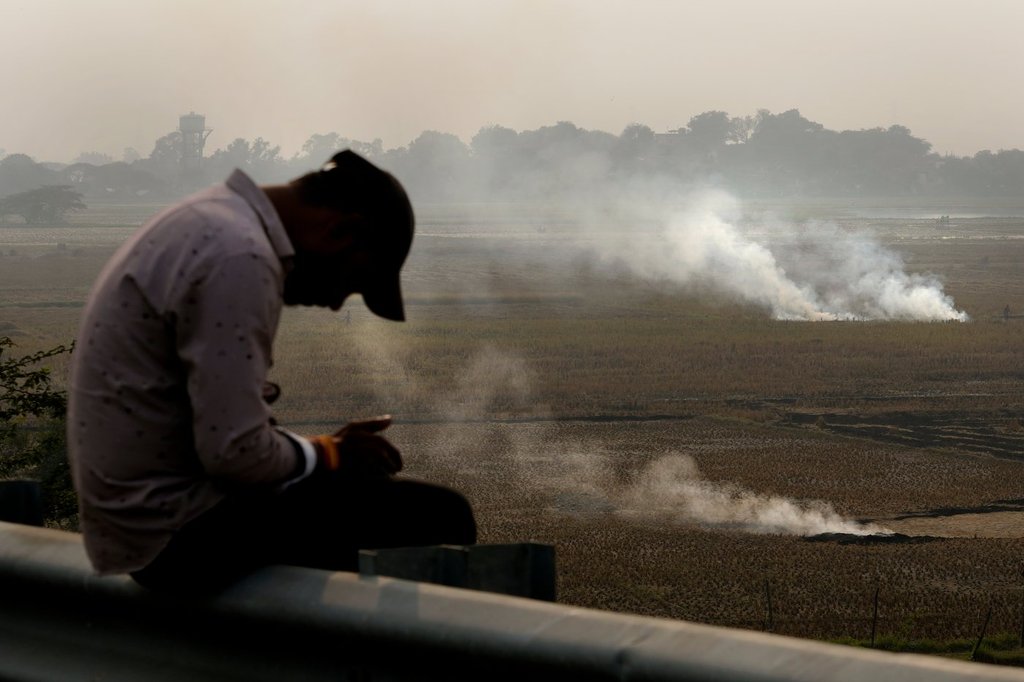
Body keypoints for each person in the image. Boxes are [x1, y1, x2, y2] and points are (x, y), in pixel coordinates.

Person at [67, 151, 477, 593]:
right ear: (340, 230)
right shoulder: (240, 258)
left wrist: (322, 454)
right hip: (176, 536)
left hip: (142, 519)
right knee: (439, 515)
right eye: (351, 281)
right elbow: (236, 453)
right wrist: (331, 456)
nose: (337, 301)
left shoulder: (211, 217)